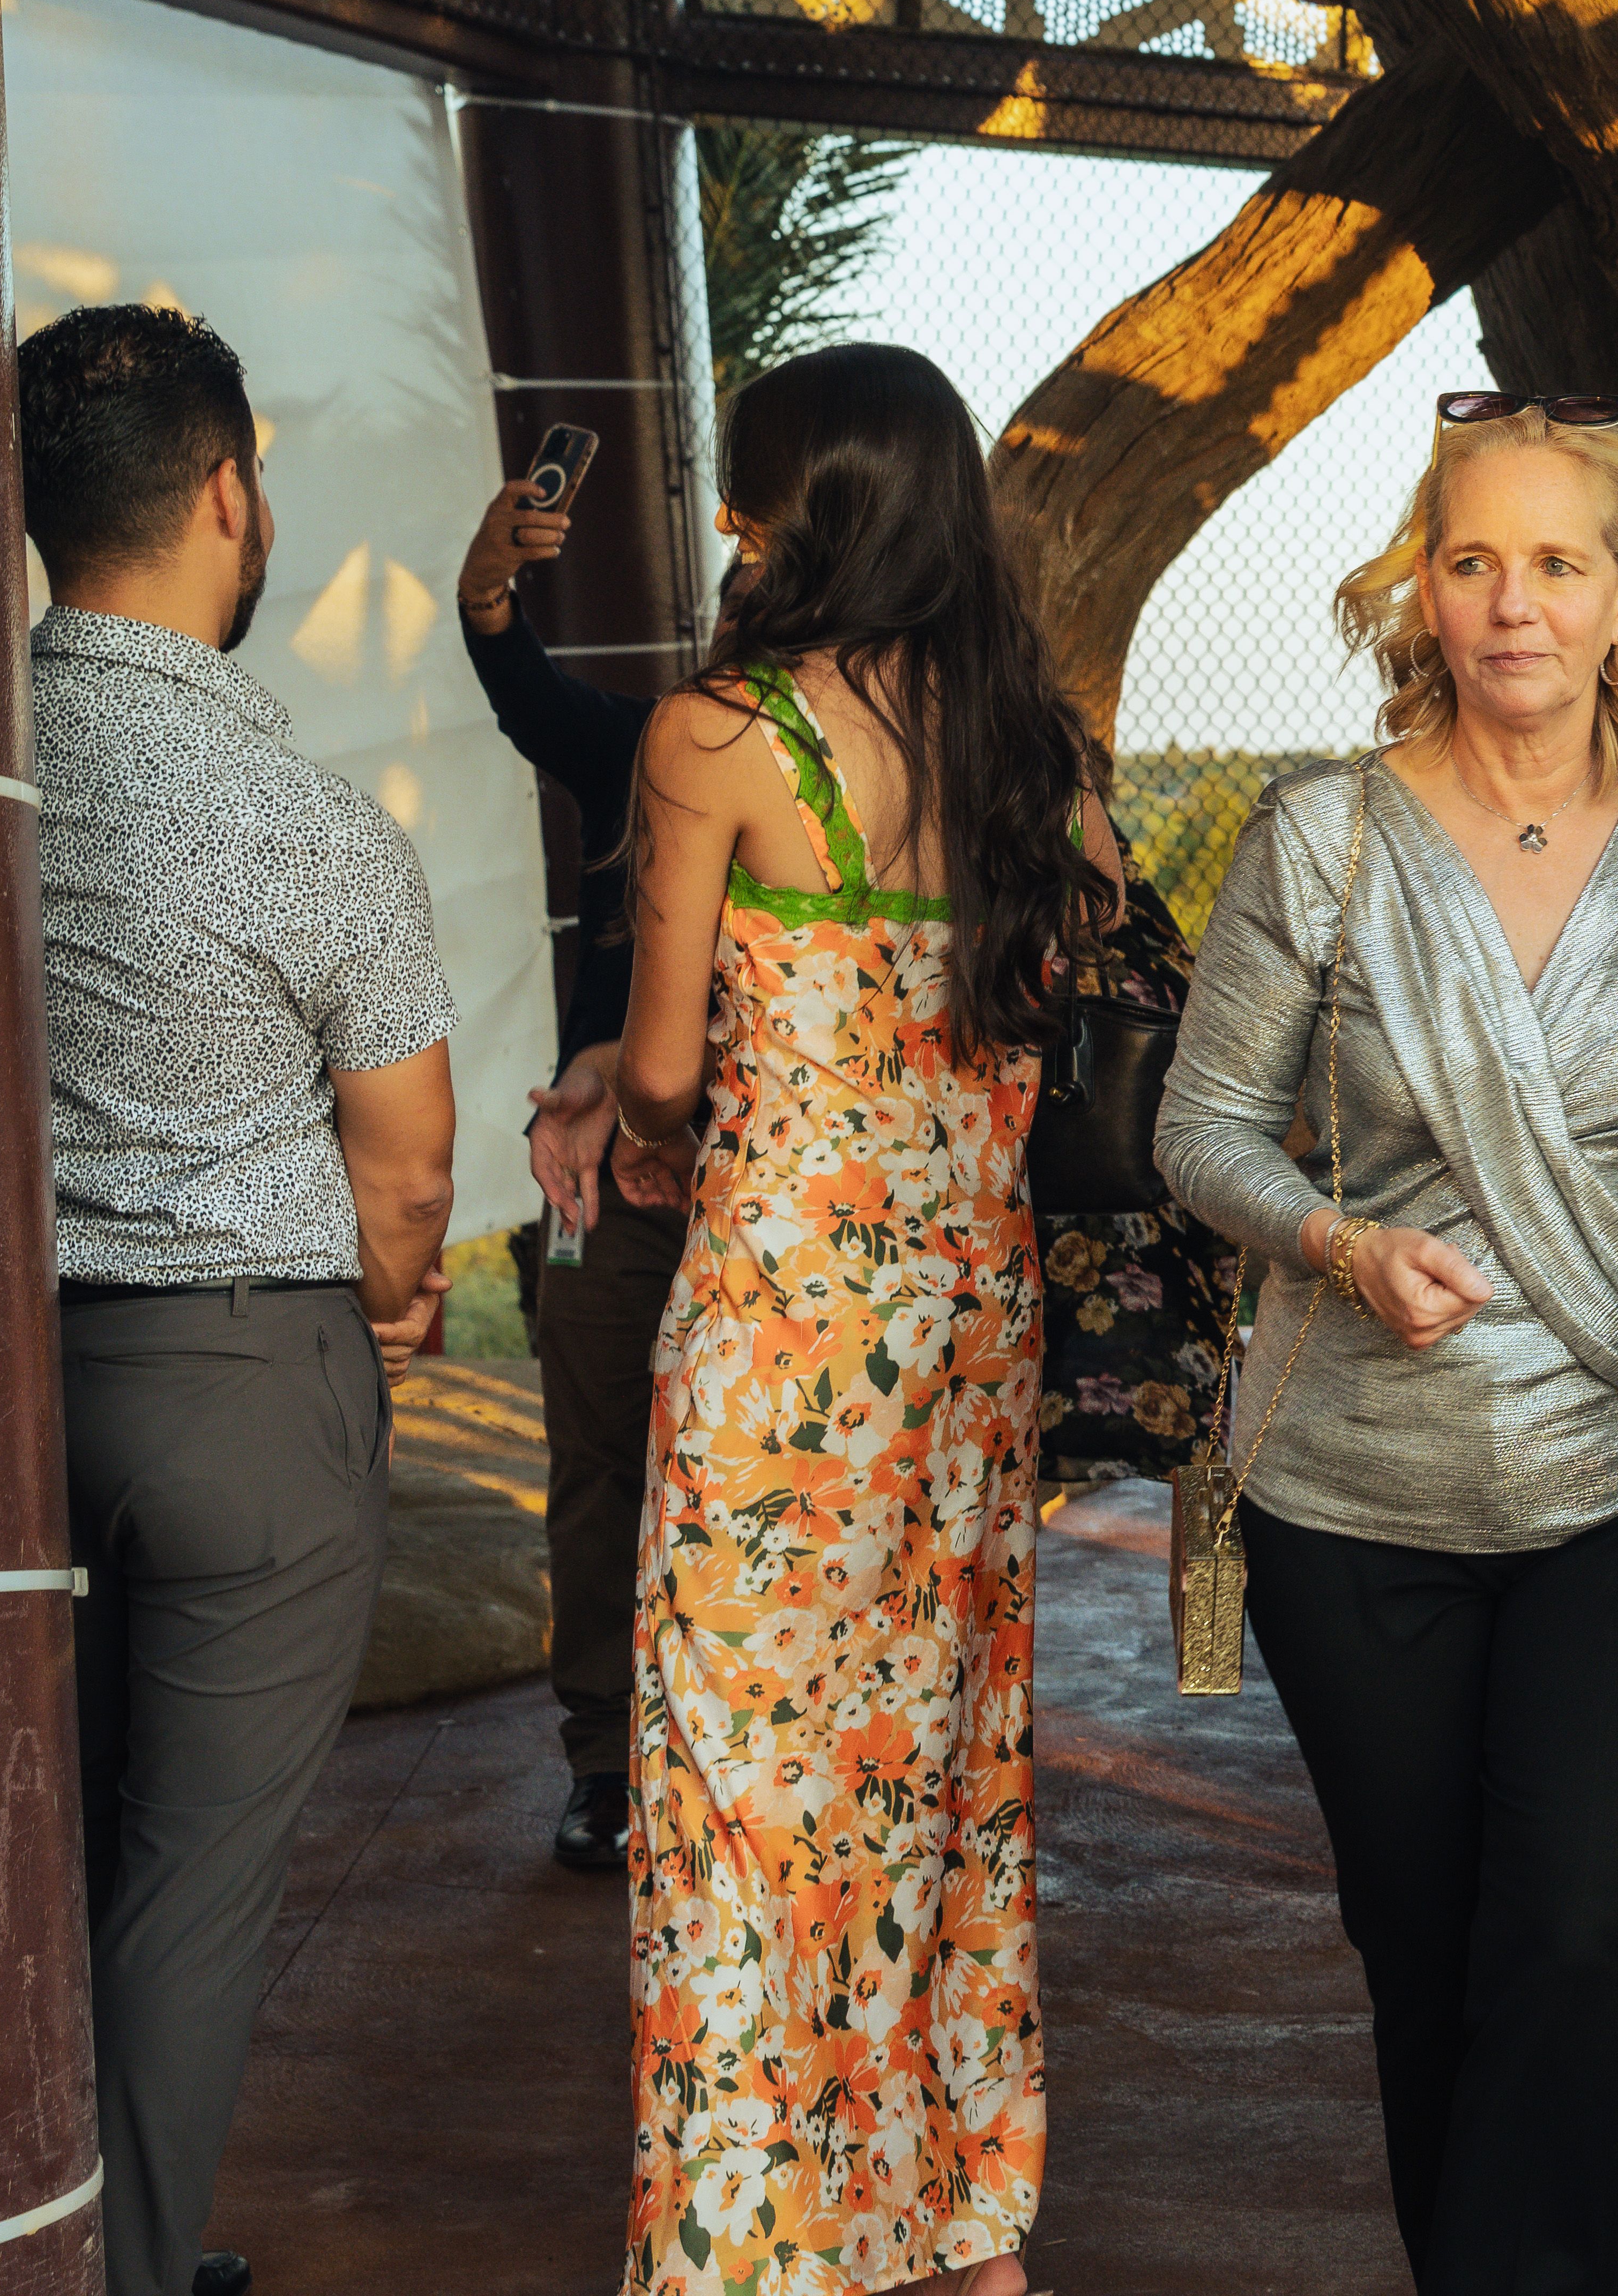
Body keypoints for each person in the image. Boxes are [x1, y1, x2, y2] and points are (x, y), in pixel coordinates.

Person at [1157, 396, 1618, 2296]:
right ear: (1423, 583)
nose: (1509, 604)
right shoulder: (1321, 835)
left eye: (1557, 563)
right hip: (1351, 1502)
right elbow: (1197, 1126)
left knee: (1571, 1941)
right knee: (1433, 1959)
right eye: (1470, 559)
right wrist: (1335, 1236)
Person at [607, 343, 1119, 2296]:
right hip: (966, 1356)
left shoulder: (720, 738)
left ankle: (758, 2246)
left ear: (790, 507)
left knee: (740, 1789)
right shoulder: (1030, 750)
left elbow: (664, 1076)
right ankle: (950, 2223)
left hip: (781, 1348)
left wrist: (642, 1106)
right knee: (934, 1777)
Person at [20, 305, 460, 2296]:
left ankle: (12, 2232)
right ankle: (121, 2269)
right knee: (188, 1890)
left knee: (46, 1846)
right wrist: (389, 1302)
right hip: (244, 1385)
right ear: (227, 495)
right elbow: (411, 1165)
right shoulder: (307, 824)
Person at [454, 474, 684, 1875]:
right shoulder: (656, 742)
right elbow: (523, 687)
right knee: (598, 1456)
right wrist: (488, 588)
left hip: (779, 1185)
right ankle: (605, 1759)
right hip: (600, 1177)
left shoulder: (891, 767)